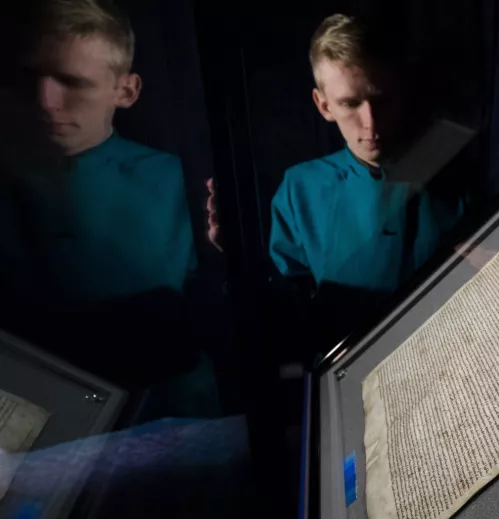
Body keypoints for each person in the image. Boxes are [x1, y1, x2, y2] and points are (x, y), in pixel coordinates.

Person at [208, 14, 468, 350]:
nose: (369, 123)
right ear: (324, 104)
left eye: (381, 99)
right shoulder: (300, 189)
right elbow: (286, 306)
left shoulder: (451, 166)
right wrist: (235, 256)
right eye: (350, 103)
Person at [0, 0, 205, 396]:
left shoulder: (180, 184)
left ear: (125, 90)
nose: (47, 101)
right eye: (32, 78)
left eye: (73, 82)